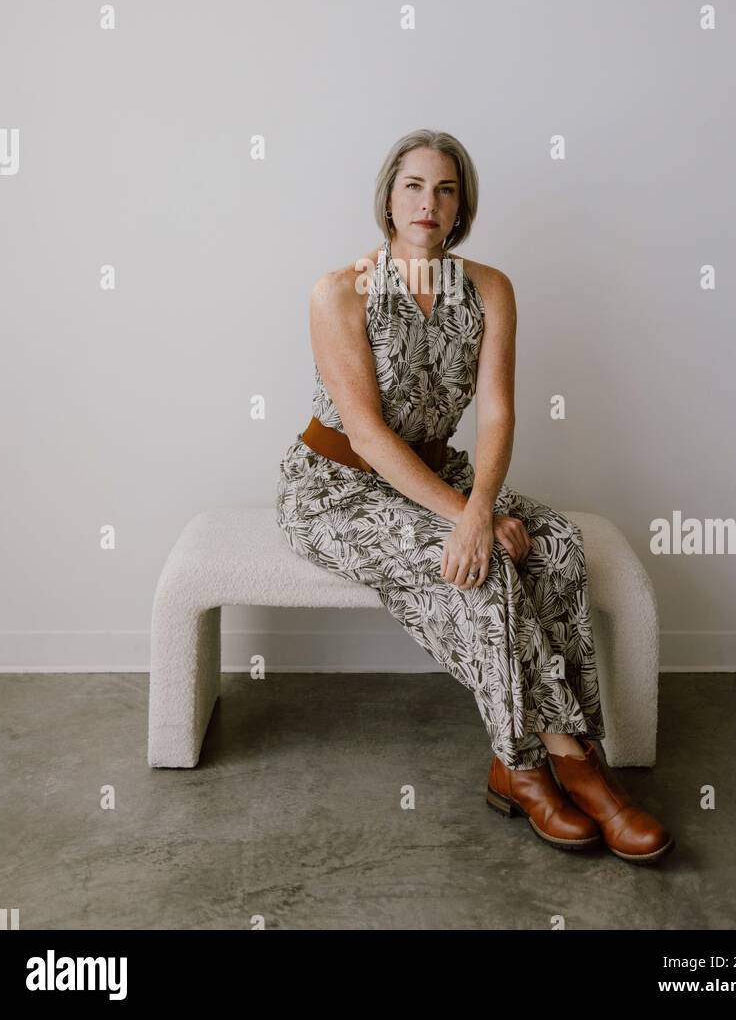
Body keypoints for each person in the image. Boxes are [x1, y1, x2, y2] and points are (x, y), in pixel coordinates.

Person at [276, 128, 674, 864]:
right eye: (413, 186)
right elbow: (365, 437)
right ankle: (559, 765)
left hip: (442, 476)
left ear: (462, 206)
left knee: (552, 545)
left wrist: (479, 506)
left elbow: (495, 412)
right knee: (479, 570)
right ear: (388, 199)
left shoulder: (489, 288)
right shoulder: (339, 292)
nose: (428, 202)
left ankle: (514, 763)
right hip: (338, 489)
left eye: (445, 188)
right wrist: (468, 524)